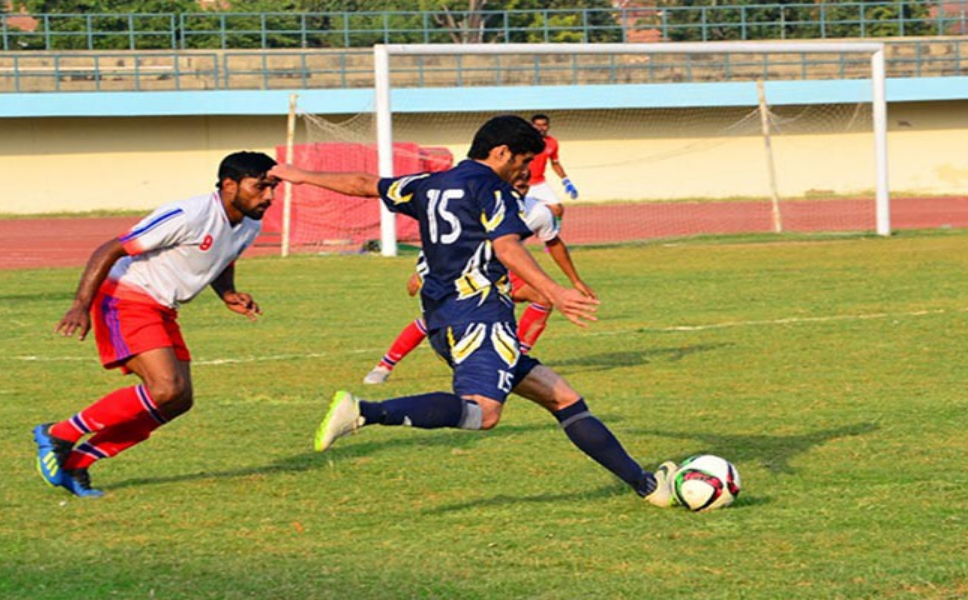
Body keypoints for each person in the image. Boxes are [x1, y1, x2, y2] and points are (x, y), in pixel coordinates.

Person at [269, 116, 676, 507]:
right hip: (481, 319)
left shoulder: (431, 183)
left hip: (445, 320)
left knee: (564, 399)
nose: (524, 171)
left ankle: (647, 486)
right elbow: (507, 246)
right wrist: (554, 291)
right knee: (484, 413)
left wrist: (301, 175)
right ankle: (364, 412)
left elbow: (364, 184)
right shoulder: (492, 190)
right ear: (501, 152)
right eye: (523, 161)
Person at [33, 151, 278, 497]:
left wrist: (228, 293)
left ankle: (77, 463)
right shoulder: (189, 215)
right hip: (125, 299)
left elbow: (222, 259)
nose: (269, 196)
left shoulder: (250, 224)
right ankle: (59, 433)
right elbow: (110, 249)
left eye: (273, 188)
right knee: (165, 389)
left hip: (163, 308)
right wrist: (80, 306)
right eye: (260, 187)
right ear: (229, 185)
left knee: (179, 400)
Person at [362, 167, 594, 385]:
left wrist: (575, 280)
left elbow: (554, 243)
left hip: (501, 273)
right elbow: (444, 238)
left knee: (543, 298)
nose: (521, 183)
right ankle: (385, 366)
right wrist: (422, 272)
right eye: (516, 179)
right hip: (461, 274)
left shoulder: (538, 212)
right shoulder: (481, 201)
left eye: (525, 181)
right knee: (433, 320)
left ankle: (517, 356)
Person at [527, 113, 577, 219]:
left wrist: (566, 181)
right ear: (531, 126)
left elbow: (555, 163)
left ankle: (554, 229)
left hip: (539, 183)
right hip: (522, 183)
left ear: (548, 126)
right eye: (537, 125)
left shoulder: (552, 143)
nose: (541, 128)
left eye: (544, 125)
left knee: (558, 209)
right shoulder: (523, 141)